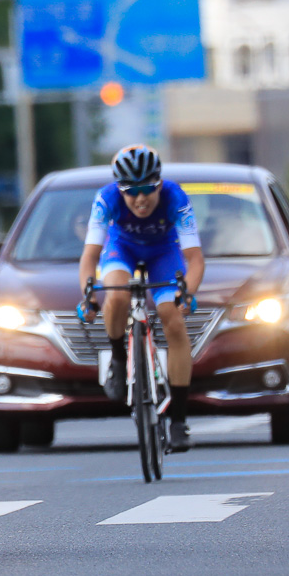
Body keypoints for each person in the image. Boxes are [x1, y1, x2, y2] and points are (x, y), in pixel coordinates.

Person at [77, 144, 205, 452]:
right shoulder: (106, 198)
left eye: (148, 189)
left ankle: (178, 421)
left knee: (172, 318)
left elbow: (195, 259)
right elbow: (89, 257)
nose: (140, 198)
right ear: (119, 189)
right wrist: (88, 296)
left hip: (164, 252)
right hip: (122, 248)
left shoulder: (176, 197)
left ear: (159, 183)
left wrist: (187, 292)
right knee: (117, 294)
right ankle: (119, 360)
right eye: (130, 191)